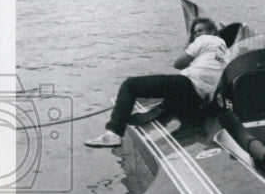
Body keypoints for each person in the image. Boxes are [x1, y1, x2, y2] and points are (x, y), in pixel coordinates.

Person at [85, 18, 227, 147]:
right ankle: (163, 110)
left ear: (212, 31)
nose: (197, 35)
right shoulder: (225, 53)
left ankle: (113, 134)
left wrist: (189, 43)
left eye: (200, 30)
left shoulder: (204, 39)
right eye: (195, 33)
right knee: (170, 96)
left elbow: (178, 63)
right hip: (196, 98)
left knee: (130, 85)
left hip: (185, 84)